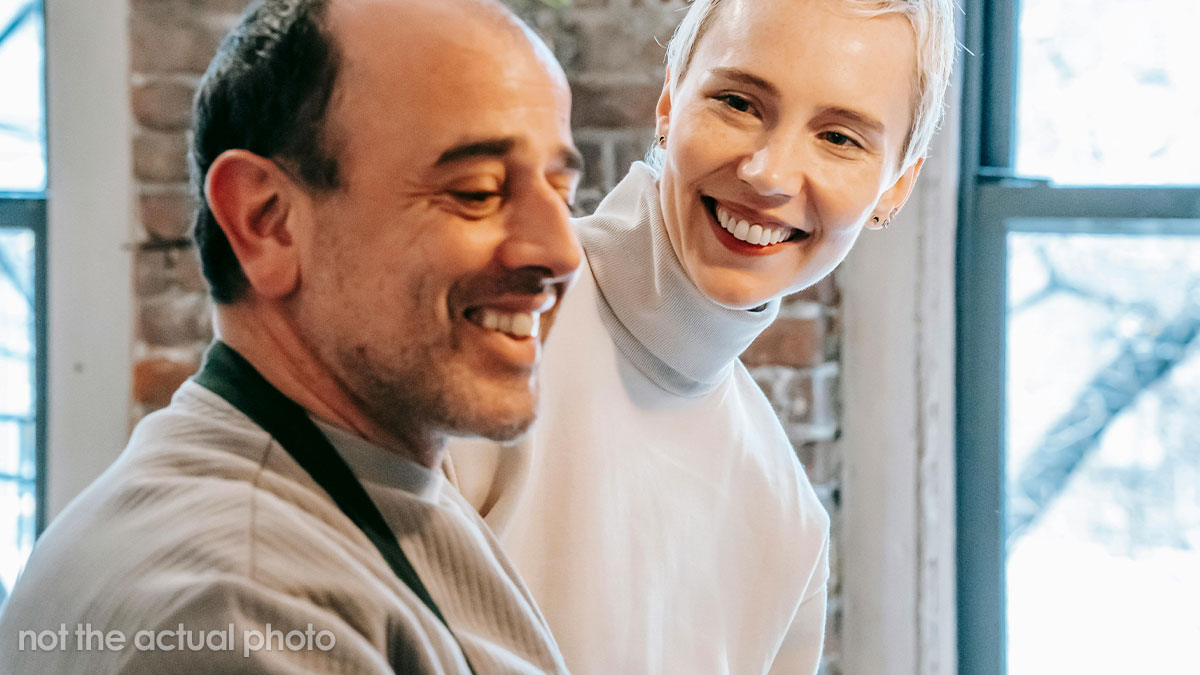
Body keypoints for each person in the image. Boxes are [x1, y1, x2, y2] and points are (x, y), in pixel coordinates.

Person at [0, 0, 583, 672]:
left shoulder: (377, 479)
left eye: (561, 192)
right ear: (267, 221)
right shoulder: (242, 604)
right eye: (477, 191)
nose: (561, 249)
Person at [445, 0, 957, 672]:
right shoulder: (473, 322)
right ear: (669, 101)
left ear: (896, 187)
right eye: (739, 102)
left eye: (839, 138)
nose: (768, 175)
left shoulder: (790, 525)